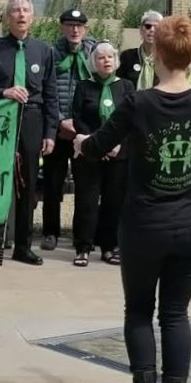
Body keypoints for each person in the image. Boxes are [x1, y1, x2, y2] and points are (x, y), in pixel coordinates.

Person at [73, 15, 191, 383]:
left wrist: (80, 142)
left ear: (158, 52)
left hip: (145, 223)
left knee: (139, 311)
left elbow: (97, 147)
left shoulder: (139, 102)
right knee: (175, 314)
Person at [0, 0, 58, 266]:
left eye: (25, 11)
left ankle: (23, 245)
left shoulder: (44, 51)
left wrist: (50, 133)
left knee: (28, 184)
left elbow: (52, 95)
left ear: (32, 17)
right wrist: (3, 92)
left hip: (31, 119)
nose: (21, 15)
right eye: (15, 11)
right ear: (7, 18)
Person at [69, 41, 134, 267]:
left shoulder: (125, 86)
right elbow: (78, 119)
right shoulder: (83, 86)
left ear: (116, 61)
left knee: (113, 202)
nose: (105, 61)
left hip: (119, 154)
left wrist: (114, 144)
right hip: (89, 153)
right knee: (86, 200)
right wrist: (97, 144)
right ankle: (83, 247)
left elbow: (129, 120)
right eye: (100, 57)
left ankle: (109, 247)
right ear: (93, 62)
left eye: (109, 57)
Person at [41, 9, 97, 251]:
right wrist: (60, 121)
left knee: (86, 187)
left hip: (83, 133)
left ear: (85, 29)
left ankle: (81, 235)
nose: (75, 30)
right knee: (53, 184)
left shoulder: (94, 55)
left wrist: (82, 127)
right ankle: (50, 232)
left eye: (79, 25)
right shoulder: (51, 54)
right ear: (61, 27)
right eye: (70, 25)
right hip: (58, 129)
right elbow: (45, 91)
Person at [119, 10, 162, 89]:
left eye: (156, 27)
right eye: (148, 26)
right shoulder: (127, 57)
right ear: (141, 30)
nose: (152, 30)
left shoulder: (167, 59)